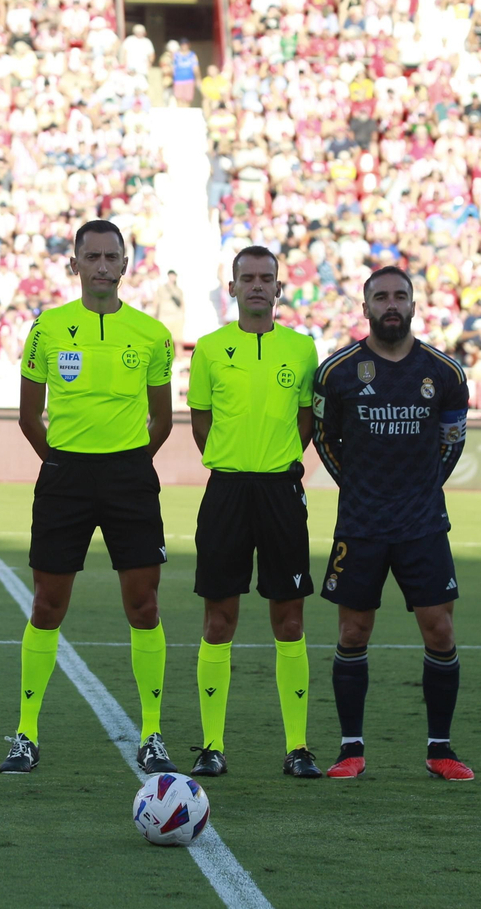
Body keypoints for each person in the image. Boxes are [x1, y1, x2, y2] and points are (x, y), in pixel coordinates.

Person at [2, 220, 177, 774]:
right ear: (74, 264)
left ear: (125, 264)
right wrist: (59, 463)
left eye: (111, 256)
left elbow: (163, 419)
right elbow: (29, 416)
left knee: (144, 606)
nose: (102, 265)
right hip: (66, 478)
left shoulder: (152, 333)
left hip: (129, 478)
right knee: (46, 605)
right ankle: (26, 734)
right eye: (92, 256)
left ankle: (152, 732)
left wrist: (130, 463)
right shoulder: (48, 328)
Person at [312, 266, 476, 781]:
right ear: (365, 308)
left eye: (399, 296)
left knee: (440, 630)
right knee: (353, 630)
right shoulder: (337, 371)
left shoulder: (444, 372)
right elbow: (323, 438)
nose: (390, 304)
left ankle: (440, 749)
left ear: (413, 305)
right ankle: (350, 749)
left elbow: (452, 441)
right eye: (380, 296)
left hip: (422, 523)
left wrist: (423, 488)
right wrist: (357, 487)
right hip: (361, 523)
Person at [185, 246, 321, 779]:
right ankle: (212, 746)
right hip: (226, 492)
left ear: (279, 289)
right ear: (233, 288)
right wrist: (233, 461)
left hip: (281, 492)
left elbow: (307, 419)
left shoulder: (302, 349)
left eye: (267, 278)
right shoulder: (210, 349)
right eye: (249, 278)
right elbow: (200, 421)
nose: (258, 286)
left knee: (290, 619)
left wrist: (276, 461)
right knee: (219, 618)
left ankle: (298, 747)